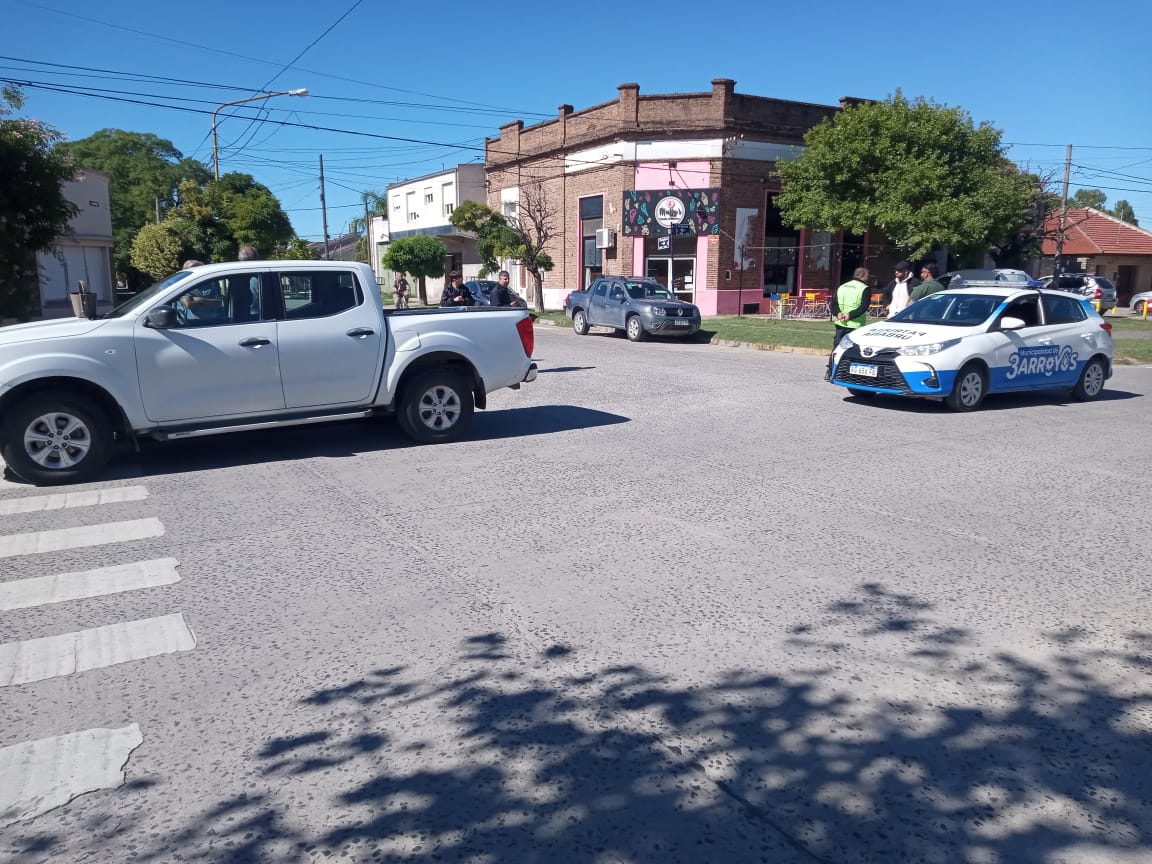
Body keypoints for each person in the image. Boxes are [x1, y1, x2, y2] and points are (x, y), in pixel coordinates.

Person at [825, 266, 873, 380]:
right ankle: (852, 374)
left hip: (840, 324)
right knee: (856, 351)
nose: (869, 277)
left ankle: (830, 371)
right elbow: (863, 307)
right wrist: (850, 315)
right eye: (868, 275)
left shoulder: (842, 286)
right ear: (862, 275)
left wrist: (839, 313)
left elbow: (834, 305)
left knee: (837, 348)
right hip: (856, 325)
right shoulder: (865, 288)